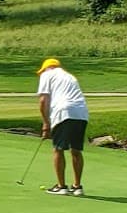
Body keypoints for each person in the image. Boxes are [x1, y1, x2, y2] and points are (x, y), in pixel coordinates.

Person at [36, 57, 88, 196]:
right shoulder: (70, 76)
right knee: (76, 150)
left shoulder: (47, 74)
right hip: (81, 113)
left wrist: (46, 124)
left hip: (63, 111)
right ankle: (77, 187)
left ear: (48, 68)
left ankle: (61, 186)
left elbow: (43, 101)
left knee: (58, 149)